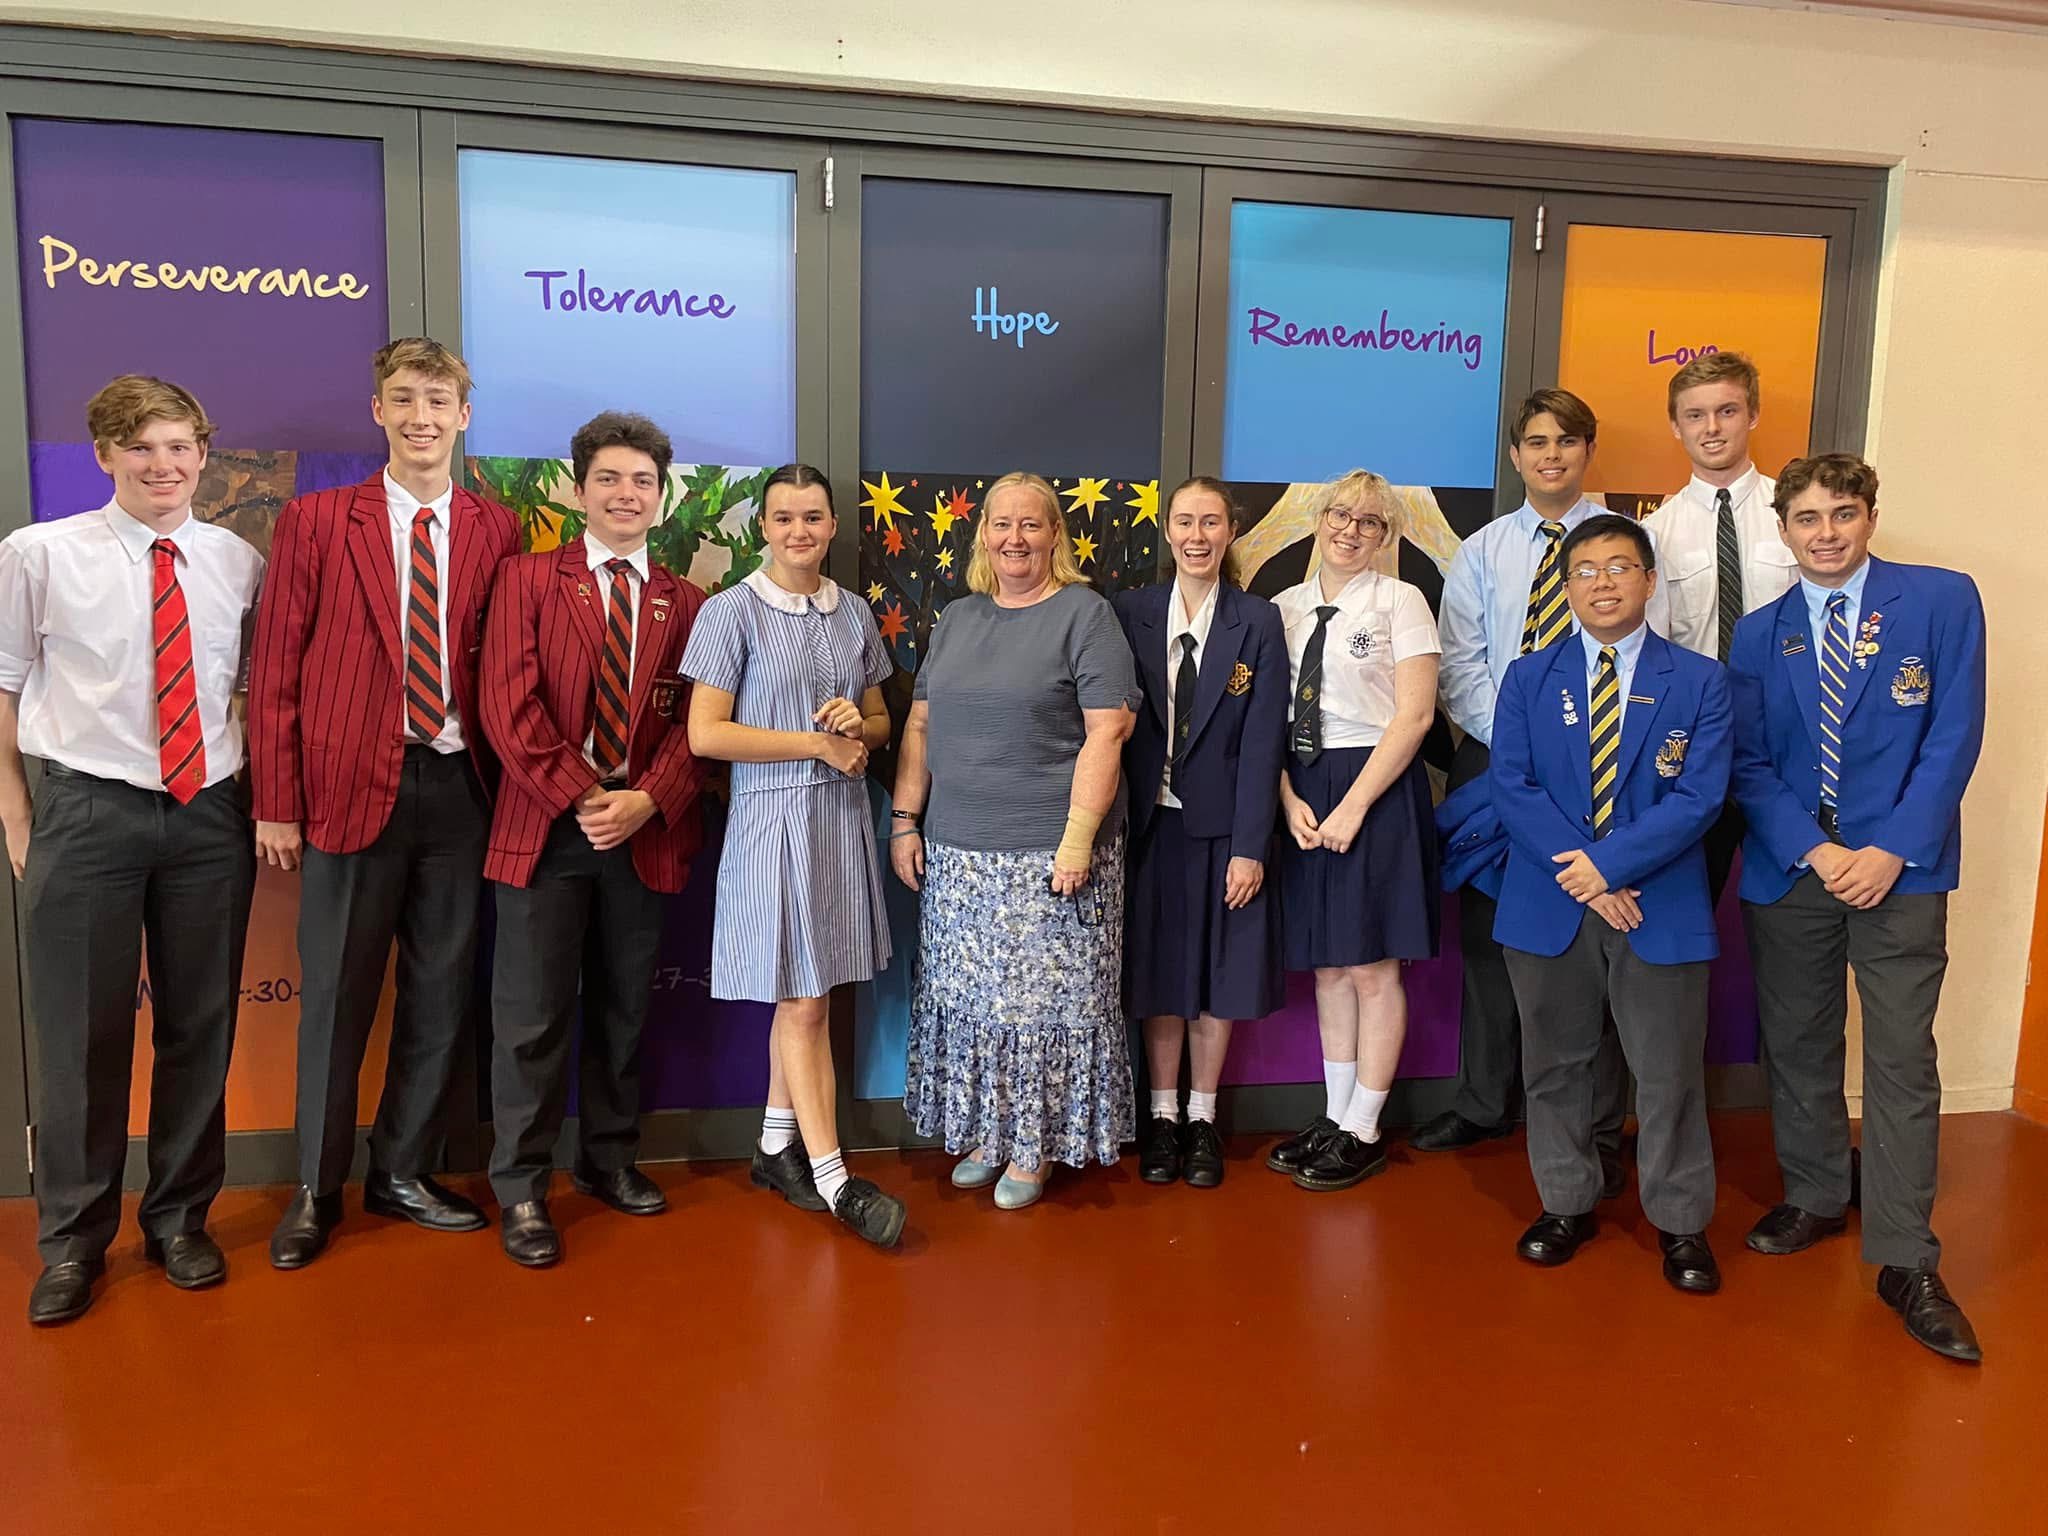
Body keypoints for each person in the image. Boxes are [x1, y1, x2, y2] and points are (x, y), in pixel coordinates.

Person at [250, 337, 519, 1269]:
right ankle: (316, 1191)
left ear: (464, 416)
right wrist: (275, 803)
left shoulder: (498, 530)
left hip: (458, 791)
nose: (421, 417)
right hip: (344, 794)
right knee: (334, 999)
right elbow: (276, 669)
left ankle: (402, 1170)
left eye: (438, 400)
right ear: (377, 411)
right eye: (403, 399)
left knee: (442, 994)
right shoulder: (319, 522)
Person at [1, 377, 263, 1325]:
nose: (165, 466)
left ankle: (181, 1218)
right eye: (143, 449)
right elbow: (2, 683)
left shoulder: (234, 558)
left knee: (201, 1024)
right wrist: (17, 816)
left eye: (182, 447)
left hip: (206, 817)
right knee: (79, 1035)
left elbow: (245, 693)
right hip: (84, 812)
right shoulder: (38, 553)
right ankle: (72, 1241)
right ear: (105, 455)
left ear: (204, 454)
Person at [1729, 452, 1986, 1363]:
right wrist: (1819, 849)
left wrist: (1889, 849)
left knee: (1902, 1057)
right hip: (1795, 869)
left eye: (1842, 513)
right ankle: (1811, 1193)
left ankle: (1906, 1256)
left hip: (1900, 871)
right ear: (1783, 529)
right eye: (1806, 518)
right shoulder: (1757, 637)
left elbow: (1953, 734)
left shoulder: (1943, 601)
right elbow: (1749, 764)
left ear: (1870, 516)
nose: (1826, 532)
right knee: (1799, 1042)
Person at [476, 411, 707, 1267]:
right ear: (579, 490)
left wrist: (647, 800)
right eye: (609, 478)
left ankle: (609, 1161)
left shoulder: (688, 602)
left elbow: (700, 722)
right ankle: (523, 1190)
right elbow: (507, 704)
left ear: (662, 495)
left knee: (623, 1010)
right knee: (531, 1019)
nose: (625, 494)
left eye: (642, 481)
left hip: (642, 835)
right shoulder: (528, 581)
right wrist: (585, 794)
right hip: (546, 829)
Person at [1417, 389, 1660, 1170]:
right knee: (1498, 939)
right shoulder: (1484, 549)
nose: (1550, 453)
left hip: (1616, 760)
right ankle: (1486, 1103)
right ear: (1516, 456)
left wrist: (1581, 748)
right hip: (1500, 761)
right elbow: (1460, 666)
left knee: (1607, 936)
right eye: (1535, 441)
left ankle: (1596, 1125)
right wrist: (1528, 747)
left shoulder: (1631, 544)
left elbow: (1660, 646)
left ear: (1589, 451)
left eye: (1566, 440)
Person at [1491, 514, 1728, 1293]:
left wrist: (1611, 867)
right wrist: (1587, 874)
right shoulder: (1529, 678)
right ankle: (1566, 1200)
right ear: (1567, 588)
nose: (1602, 582)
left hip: (1657, 900)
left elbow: (1699, 797)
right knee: (1555, 1065)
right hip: (1549, 900)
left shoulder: (1699, 680)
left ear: (1650, 580)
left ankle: (1681, 1222)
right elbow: (1513, 788)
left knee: (1667, 1072)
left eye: (1620, 567)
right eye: (1586, 571)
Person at [892, 471, 1139, 1210]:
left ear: (1055, 536)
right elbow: (921, 725)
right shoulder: (959, 618)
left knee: (1039, 1012)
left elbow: (1110, 730)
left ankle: (1033, 1151)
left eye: (1031, 525)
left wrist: (1076, 840)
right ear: (983, 536)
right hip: (960, 855)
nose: (1015, 538)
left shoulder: (1085, 615)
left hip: (1053, 856)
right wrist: (905, 820)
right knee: (971, 1003)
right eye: (1002, 524)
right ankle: (987, 1134)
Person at [682, 464, 907, 1246]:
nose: (799, 532)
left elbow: (880, 719)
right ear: (765, 527)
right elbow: (706, 734)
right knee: (804, 1001)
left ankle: (775, 1146)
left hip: (839, 822)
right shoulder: (728, 612)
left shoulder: (850, 614)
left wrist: (856, 724)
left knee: (808, 996)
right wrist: (814, 742)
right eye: (784, 519)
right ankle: (834, 1175)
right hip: (771, 822)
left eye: (812, 518)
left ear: (833, 525)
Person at [1263, 472, 1441, 1191]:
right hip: (1303, 786)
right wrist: (1284, 797)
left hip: (1376, 787)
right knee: (1329, 965)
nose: (1350, 529)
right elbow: (1263, 720)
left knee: (1372, 967)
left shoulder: (1402, 601)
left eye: (1370, 522)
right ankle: (1335, 1115)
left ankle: (1367, 1123)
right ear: (1318, 518)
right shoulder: (1281, 608)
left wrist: (1356, 804)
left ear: (1386, 536)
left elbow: (1416, 716)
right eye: (1340, 514)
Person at [1113, 476, 1286, 1189]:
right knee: (1158, 974)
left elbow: (1264, 742)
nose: (1197, 535)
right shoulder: (1131, 613)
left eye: (1210, 522)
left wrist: (1251, 846)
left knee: (1216, 975)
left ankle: (1204, 1117)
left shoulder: (1259, 620)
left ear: (1231, 530)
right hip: (1149, 826)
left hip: (1221, 830)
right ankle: (1161, 1116)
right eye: (1184, 521)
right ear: (1167, 530)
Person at [1642, 351, 1796, 900]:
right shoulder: (1656, 531)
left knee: (1791, 908)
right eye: (1695, 415)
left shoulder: (1798, 515)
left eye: (1727, 411)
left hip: (1786, 737)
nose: (1711, 428)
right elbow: (1652, 651)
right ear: (1675, 425)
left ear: (1752, 415)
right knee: (1685, 899)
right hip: (1694, 742)